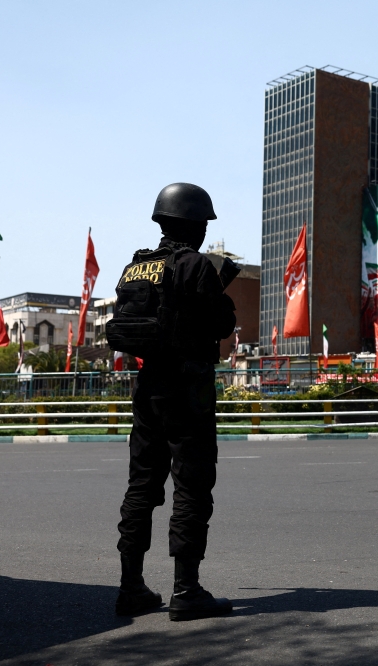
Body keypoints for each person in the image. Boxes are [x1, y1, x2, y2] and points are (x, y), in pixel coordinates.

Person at [109, 183, 237, 620]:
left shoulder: (134, 268)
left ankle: (131, 587)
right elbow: (221, 324)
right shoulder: (196, 266)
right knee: (192, 488)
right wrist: (221, 290)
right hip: (189, 389)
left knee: (141, 486)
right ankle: (187, 591)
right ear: (194, 226)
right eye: (202, 223)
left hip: (147, 389)